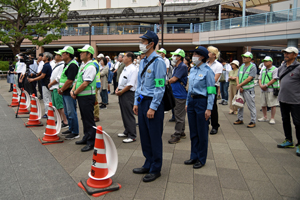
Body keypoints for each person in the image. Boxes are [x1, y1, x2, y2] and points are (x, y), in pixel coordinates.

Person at [132, 30, 166, 182]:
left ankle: (156, 167)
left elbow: (160, 87)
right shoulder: (143, 61)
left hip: (153, 103)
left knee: (154, 136)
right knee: (144, 135)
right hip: (142, 101)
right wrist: (136, 102)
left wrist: (153, 107)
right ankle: (148, 162)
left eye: (144, 41)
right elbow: (140, 84)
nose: (141, 44)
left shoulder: (158, 62)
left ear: (151, 44)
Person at [185, 46, 216, 169]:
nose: (193, 56)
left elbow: (211, 91)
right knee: (193, 131)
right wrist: (188, 102)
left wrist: (209, 108)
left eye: (196, 54)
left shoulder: (208, 71)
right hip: (192, 101)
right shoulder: (192, 70)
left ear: (202, 56)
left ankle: (201, 158)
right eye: (193, 54)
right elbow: (189, 89)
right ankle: (194, 155)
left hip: (202, 102)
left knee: (202, 131)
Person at [71, 45, 98, 152]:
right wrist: (73, 91)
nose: (80, 54)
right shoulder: (83, 66)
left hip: (87, 97)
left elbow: (86, 83)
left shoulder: (91, 66)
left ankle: (91, 141)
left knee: (89, 120)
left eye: (83, 52)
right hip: (82, 96)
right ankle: (86, 137)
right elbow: (78, 80)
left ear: (89, 54)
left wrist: (75, 92)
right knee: (85, 118)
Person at [277, 46, 300, 157]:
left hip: (296, 100)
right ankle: (289, 140)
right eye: (285, 53)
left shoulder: (299, 67)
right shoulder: (282, 67)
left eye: (289, 53)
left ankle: (299, 144)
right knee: (285, 120)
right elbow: (281, 80)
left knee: (298, 122)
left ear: (295, 55)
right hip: (283, 99)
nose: (286, 55)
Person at [58, 46, 80, 140]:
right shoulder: (68, 64)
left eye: (63, 53)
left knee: (71, 112)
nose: (61, 55)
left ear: (68, 54)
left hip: (68, 91)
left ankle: (75, 132)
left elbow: (70, 81)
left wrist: (62, 89)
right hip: (65, 92)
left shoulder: (72, 65)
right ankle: (71, 129)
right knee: (67, 112)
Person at [116, 52, 138, 143]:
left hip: (128, 93)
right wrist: (118, 88)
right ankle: (127, 131)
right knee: (124, 113)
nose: (122, 58)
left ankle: (132, 135)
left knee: (128, 114)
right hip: (122, 92)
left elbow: (130, 84)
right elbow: (121, 81)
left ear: (129, 58)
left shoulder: (133, 69)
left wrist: (121, 91)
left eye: (124, 56)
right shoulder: (126, 68)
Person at [168, 49, 188, 144]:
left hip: (180, 94)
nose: (173, 57)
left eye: (174, 55)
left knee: (178, 115)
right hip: (176, 93)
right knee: (180, 114)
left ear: (179, 57)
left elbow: (174, 79)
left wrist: (164, 82)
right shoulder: (177, 66)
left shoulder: (182, 66)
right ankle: (182, 132)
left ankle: (177, 134)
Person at [234, 52, 257, 128]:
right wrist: (238, 85)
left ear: (250, 58)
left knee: (251, 105)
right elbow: (237, 76)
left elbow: (249, 78)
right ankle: (240, 119)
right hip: (240, 89)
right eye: (243, 57)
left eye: (246, 57)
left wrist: (240, 85)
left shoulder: (253, 67)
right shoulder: (241, 66)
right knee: (239, 104)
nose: (244, 58)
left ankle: (253, 121)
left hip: (248, 89)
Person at [28, 52, 53, 118]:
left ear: (47, 58)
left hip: (45, 84)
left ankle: (47, 113)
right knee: (49, 98)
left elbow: (42, 76)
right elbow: (41, 73)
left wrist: (33, 79)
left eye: (43, 56)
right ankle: (50, 112)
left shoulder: (46, 65)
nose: (42, 57)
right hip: (46, 83)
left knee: (46, 98)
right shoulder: (46, 65)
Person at [47, 50, 68, 128]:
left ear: (61, 57)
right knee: (56, 106)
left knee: (60, 106)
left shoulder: (62, 65)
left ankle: (65, 121)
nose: (55, 56)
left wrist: (50, 84)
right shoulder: (57, 64)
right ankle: (60, 119)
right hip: (54, 87)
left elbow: (58, 78)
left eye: (57, 55)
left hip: (57, 87)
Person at [258, 56, 279, 124]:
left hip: (271, 89)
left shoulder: (275, 69)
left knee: (273, 104)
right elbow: (260, 78)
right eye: (264, 61)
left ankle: (272, 118)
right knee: (263, 104)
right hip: (263, 89)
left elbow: (275, 79)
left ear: (271, 62)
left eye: (266, 61)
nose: (265, 63)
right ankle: (265, 117)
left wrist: (266, 85)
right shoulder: (263, 69)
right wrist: (261, 85)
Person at [206, 46, 223, 135]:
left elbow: (215, 79)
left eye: (208, 52)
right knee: (204, 105)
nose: (207, 53)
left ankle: (215, 126)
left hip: (212, 87)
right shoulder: (205, 63)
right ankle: (206, 123)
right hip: (203, 87)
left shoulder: (218, 65)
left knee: (212, 107)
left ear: (214, 55)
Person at [93, 58, 101, 122]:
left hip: (95, 84)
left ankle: (96, 116)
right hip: (94, 84)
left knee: (95, 100)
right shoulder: (93, 62)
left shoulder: (94, 63)